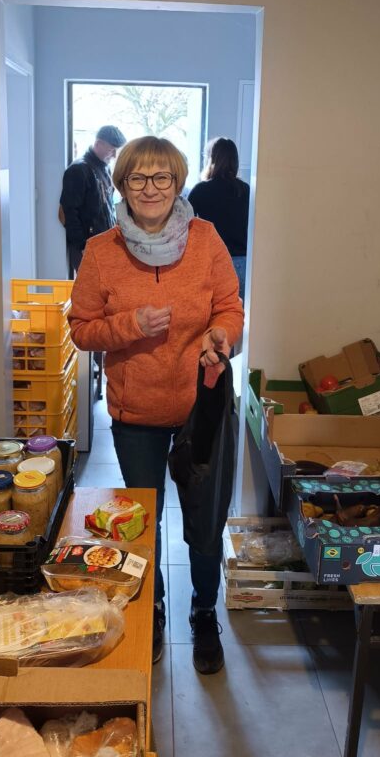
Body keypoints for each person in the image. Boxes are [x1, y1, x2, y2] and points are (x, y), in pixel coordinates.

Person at [69, 136, 243, 674]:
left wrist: (222, 336)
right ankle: (155, 608)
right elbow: (81, 329)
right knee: (142, 525)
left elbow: (230, 307)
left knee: (205, 520)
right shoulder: (101, 250)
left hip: (201, 408)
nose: (150, 189)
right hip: (135, 414)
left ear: (178, 183)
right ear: (121, 185)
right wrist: (130, 325)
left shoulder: (205, 238)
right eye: (138, 178)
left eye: (162, 177)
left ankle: (204, 611)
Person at [188, 137, 250, 303]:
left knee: (212, 314)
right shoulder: (246, 190)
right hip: (243, 263)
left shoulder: (201, 190)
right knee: (237, 314)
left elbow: (183, 224)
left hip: (212, 262)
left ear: (211, 159)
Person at [59, 124, 126, 276]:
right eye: (112, 150)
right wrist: (82, 245)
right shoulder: (78, 170)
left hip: (103, 242)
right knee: (91, 286)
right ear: (98, 144)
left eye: (117, 151)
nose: (114, 156)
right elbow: (67, 213)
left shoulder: (105, 168)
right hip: (87, 246)